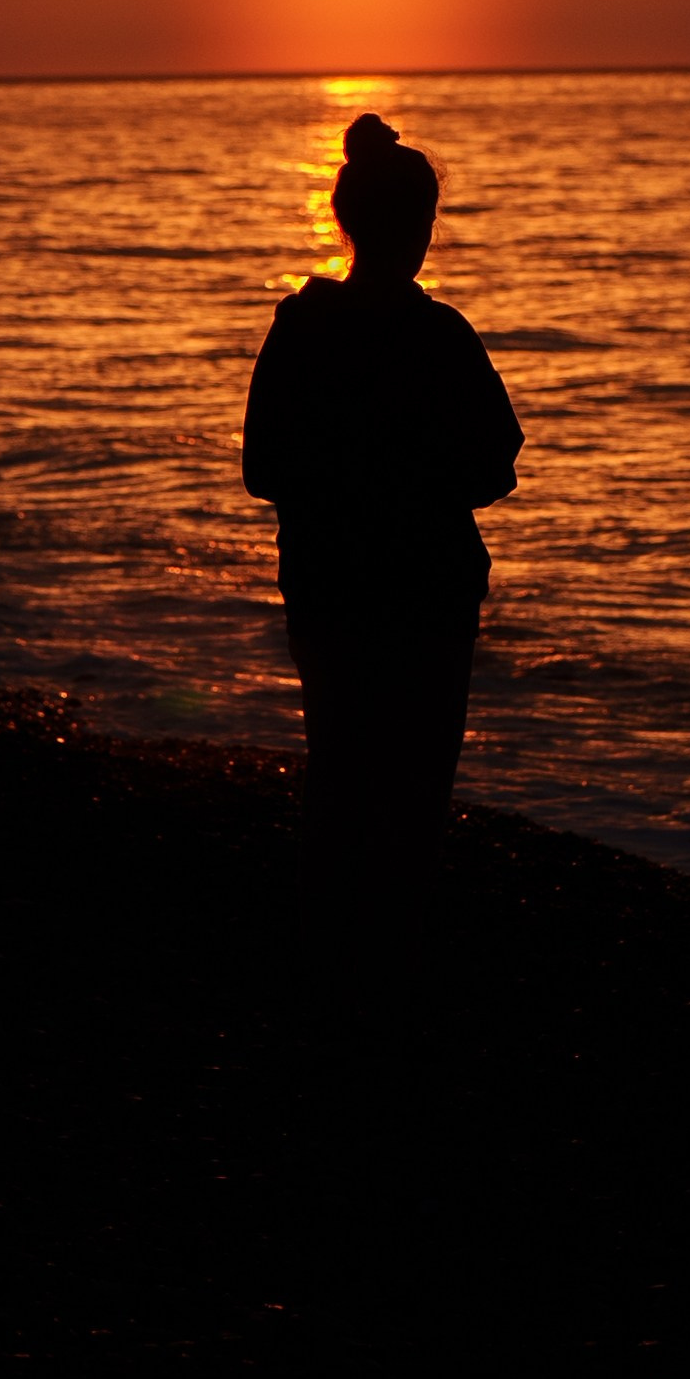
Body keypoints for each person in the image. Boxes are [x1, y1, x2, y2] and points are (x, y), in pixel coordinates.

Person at [242, 112, 522, 1012]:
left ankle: (328, 950)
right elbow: (495, 466)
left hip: (325, 574)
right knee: (414, 768)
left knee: (341, 757)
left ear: (345, 219)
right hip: (427, 580)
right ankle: (389, 958)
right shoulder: (439, 334)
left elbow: (262, 470)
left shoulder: (299, 325)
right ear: (422, 226)